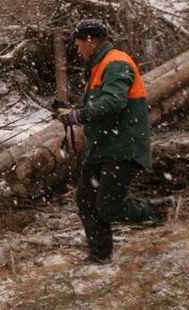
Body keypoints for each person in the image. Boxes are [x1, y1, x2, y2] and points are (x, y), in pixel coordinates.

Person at [58, 19, 176, 264]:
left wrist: (78, 115)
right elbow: (98, 103)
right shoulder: (100, 65)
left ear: (90, 41)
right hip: (103, 147)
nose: (78, 49)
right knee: (86, 200)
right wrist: (71, 111)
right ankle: (100, 256)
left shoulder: (116, 62)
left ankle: (160, 210)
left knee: (108, 207)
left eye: (79, 44)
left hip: (122, 146)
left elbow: (114, 102)